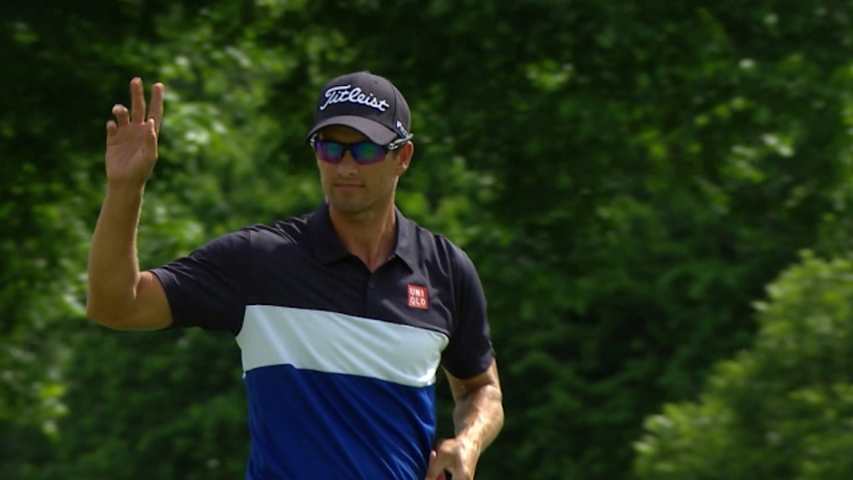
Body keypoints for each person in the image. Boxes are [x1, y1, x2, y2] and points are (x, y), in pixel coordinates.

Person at [87, 71, 504, 480]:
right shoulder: (261, 260)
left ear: (403, 157)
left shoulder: (445, 270)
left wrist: (465, 444)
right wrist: (126, 188)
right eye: (329, 148)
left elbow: (481, 389)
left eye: (364, 150)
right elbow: (117, 305)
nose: (344, 166)